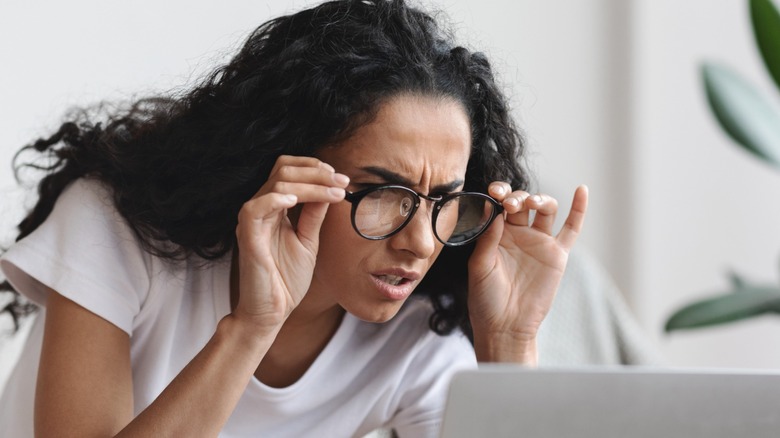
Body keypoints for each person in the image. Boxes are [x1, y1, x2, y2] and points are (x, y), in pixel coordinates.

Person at [0, 0, 588, 436]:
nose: (418, 242)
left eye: (445, 201)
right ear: (287, 171)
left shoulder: (418, 331)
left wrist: (510, 345)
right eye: (384, 192)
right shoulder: (115, 226)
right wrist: (252, 327)